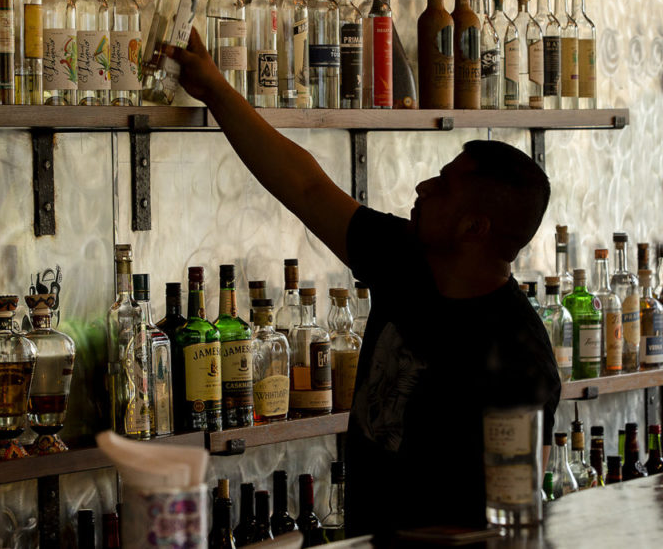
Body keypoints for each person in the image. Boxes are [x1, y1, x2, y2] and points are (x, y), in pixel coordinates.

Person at [164, 30, 560, 539]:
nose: (423, 187)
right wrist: (215, 88)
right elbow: (305, 186)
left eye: (443, 184)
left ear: (474, 227)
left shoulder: (519, 358)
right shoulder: (409, 260)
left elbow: (513, 520)